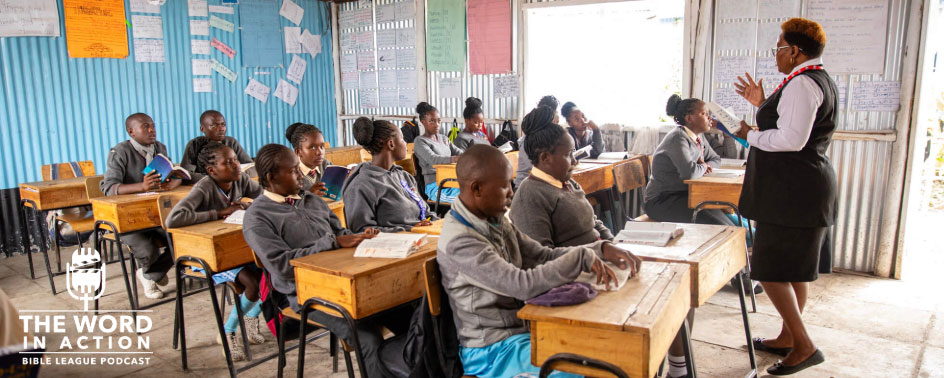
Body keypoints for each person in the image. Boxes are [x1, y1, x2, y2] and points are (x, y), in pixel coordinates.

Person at [437, 144, 635, 378]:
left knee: (611, 348)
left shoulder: (495, 220)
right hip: (491, 350)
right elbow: (522, 285)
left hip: (521, 330)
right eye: (504, 186)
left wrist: (599, 248)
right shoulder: (461, 242)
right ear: (477, 188)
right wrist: (579, 258)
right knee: (588, 369)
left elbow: (542, 255)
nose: (511, 192)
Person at [242, 144, 412, 378]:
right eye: (293, 171)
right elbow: (282, 266)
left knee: (413, 317)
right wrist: (332, 242)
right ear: (271, 177)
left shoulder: (311, 201)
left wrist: (359, 237)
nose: (301, 176)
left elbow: (339, 232)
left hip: (345, 280)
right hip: (306, 294)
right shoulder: (257, 217)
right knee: (367, 337)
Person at [732, 17, 835, 375]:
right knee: (793, 271)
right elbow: (790, 127)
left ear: (794, 51)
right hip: (800, 190)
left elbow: (792, 140)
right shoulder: (810, 80)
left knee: (770, 269)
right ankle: (787, 336)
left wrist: (749, 134)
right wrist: (762, 103)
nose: (775, 55)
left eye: (778, 49)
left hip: (792, 193)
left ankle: (804, 345)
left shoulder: (803, 85)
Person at [165, 141, 266, 361]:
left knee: (272, 272)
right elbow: (172, 220)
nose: (236, 165)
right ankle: (227, 330)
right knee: (253, 282)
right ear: (212, 171)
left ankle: (251, 317)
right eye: (228, 162)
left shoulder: (240, 179)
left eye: (236, 160)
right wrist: (218, 213)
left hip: (234, 251)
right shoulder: (204, 187)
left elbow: (263, 197)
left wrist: (248, 207)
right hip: (205, 257)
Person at [100, 113, 179, 299]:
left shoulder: (159, 148)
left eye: (153, 125)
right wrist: (141, 187)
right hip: (128, 218)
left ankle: (150, 274)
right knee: (147, 248)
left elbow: (167, 174)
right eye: (145, 127)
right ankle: (151, 275)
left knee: (180, 237)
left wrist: (173, 180)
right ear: (131, 131)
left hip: (154, 213)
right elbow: (108, 188)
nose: (152, 130)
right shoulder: (120, 152)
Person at [645, 94, 734, 226]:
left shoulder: (699, 137)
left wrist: (704, 165)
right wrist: (703, 166)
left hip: (686, 195)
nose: (710, 118)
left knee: (726, 215)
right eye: (704, 114)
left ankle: (747, 242)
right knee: (719, 224)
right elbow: (690, 173)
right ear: (689, 118)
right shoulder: (678, 138)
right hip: (662, 200)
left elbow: (715, 159)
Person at [343, 117, 438, 232]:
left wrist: (439, 223)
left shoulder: (404, 176)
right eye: (402, 139)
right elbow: (362, 231)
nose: (406, 143)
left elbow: (425, 213)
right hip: (393, 246)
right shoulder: (361, 185)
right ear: (391, 144)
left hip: (423, 238)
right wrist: (409, 230)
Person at [180, 110, 252, 182]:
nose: (221, 129)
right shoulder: (194, 144)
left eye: (223, 124)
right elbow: (185, 174)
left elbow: (252, 167)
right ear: (202, 129)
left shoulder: (231, 143)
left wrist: (238, 175)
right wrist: (218, 178)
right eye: (214, 125)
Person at [413, 102, 464, 203]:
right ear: (423, 122)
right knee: (470, 199)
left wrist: (470, 155)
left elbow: (458, 151)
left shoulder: (444, 138)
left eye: (438, 121)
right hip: (436, 188)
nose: (437, 125)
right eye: (432, 121)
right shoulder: (420, 141)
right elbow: (433, 159)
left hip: (451, 181)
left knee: (477, 192)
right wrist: (455, 158)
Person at [514, 95, 559, 187]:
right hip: (525, 187)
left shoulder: (548, 137)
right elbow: (538, 168)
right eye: (554, 121)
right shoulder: (528, 141)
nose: (556, 125)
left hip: (541, 184)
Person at [285, 123, 331, 195]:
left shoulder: (326, 165)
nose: (320, 152)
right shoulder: (290, 175)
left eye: (322, 147)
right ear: (298, 151)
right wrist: (309, 195)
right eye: (312, 147)